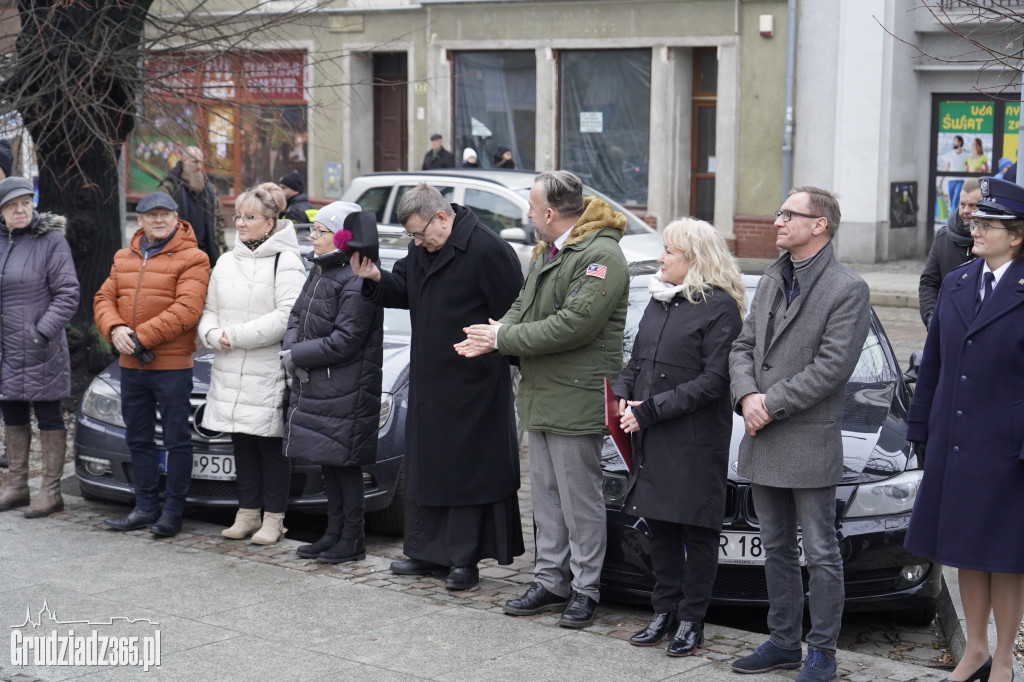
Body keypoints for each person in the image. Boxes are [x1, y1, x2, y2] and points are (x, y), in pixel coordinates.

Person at [457, 170, 630, 628]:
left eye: (532, 209)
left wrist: (502, 339)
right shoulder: (550, 251)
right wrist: (495, 332)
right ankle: (551, 581)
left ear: (550, 214)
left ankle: (585, 588)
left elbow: (573, 325)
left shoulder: (601, 255)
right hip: (542, 392)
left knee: (580, 501)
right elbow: (523, 306)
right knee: (547, 499)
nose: (529, 217)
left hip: (576, 394)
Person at [350, 183, 524, 590]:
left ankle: (464, 559)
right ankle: (426, 551)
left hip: (474, 383)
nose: (416, 242)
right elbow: (405, 290)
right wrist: (375, 277)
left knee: (466, 471)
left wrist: (498, 350)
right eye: (411, 236)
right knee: (428, 467)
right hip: (430, 378)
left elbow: (515, 315)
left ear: (442, 217)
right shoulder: (421, 247)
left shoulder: (487, 249)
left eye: (419, 233)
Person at [728, 186, 871, 682]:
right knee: (775, 547)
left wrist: (768, 404)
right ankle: (784, 642)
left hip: (807, 437)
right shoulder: (772, 277)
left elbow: (831, 368)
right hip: (762, 434)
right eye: (779, 213)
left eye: (789, 214)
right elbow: (743, 346)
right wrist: (746, 395)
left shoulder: (847, 288)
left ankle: (822, 652)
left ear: (819, 225)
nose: (778, 221)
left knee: (821, 552)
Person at [904, 177, 1024, 682]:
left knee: (1007, 557)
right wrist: (920, 429)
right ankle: (975, 652)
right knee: (966, 551)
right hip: (955, 441)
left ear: (1016, 235)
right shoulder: (957, 282)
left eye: (987, 224)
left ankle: (1004, 660)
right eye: (975, 221)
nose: (974, 228)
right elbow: (933, 363)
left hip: (1008, 447)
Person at [613, 218, 744, 656]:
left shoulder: (720, 307)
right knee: (661, 529)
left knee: (697, 532)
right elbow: (636, 360)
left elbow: (714, 382)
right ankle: (664, 611)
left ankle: (692, 620)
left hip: (693, 439)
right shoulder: (660, 300)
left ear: (694, 258)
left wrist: (649, 410)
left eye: (669, 251)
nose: (661, 258)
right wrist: (622, 393)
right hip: (652, 435)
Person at [95, 191, 210, 537]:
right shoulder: (123, 257)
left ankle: (172, 512)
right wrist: (115, 329)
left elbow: (187, 310)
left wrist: (140, 337)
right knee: (139, 439)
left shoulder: (194, 258)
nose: (159, 220)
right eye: (151, 214)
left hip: (172, 366)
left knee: (177, 441)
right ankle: (144, 507)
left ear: (176, 218)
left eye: (165, 214)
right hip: (132, 366)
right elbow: (103, 299)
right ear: (140, 220)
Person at [197, 187, 305, 545]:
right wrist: (212, 335)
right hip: (229, 367)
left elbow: (287, 316)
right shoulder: (227, 261)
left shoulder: (285, 261)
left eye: (250, 217)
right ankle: (246, 514)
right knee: (241, 443)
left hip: (268, 370)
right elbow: (209, 310)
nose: (241, 223)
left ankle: (274, 519)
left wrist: (234, 336)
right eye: (238, 217)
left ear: (269, 223)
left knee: (270, 446)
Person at [283, 202, 383, 563]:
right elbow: (297, 314)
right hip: (321, 384)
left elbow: (346, 339)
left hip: (347, 387)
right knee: (329, 461)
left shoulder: (356, 277)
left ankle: (353, 539)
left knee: (345, 464)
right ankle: (333, 532)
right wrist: (291, 348)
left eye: (321, 231)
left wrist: (298, 355)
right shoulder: (321, 268)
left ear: (342, 237)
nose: (313, 236)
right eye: (314, 229)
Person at [0, 177, 79, 517]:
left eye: (25, 202)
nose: (20, 210)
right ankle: (17, 485)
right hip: (4, 348)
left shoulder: (51, 240)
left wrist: (41, 333)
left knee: (48, 413)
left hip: (40, 347)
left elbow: (68, 294)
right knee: (12, 411)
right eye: (11, 205)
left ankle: (51, 491)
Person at [919, 178, 980, 327]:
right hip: (947, 325)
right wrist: (931, 318)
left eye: (973, 206)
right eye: (962, 204)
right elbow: (928, 282)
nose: (966, 211)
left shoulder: (993, 241)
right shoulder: (943, 237)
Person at [158, 145, 227, 266]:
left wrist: (222, 250)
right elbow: (161, 222)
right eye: (195, 162)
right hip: (178, 256)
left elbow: (218, 221)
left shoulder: (210, 189)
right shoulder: (170, 188)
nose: (199, 166)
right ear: (183, 161)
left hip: (207, 256)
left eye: (201, 162)